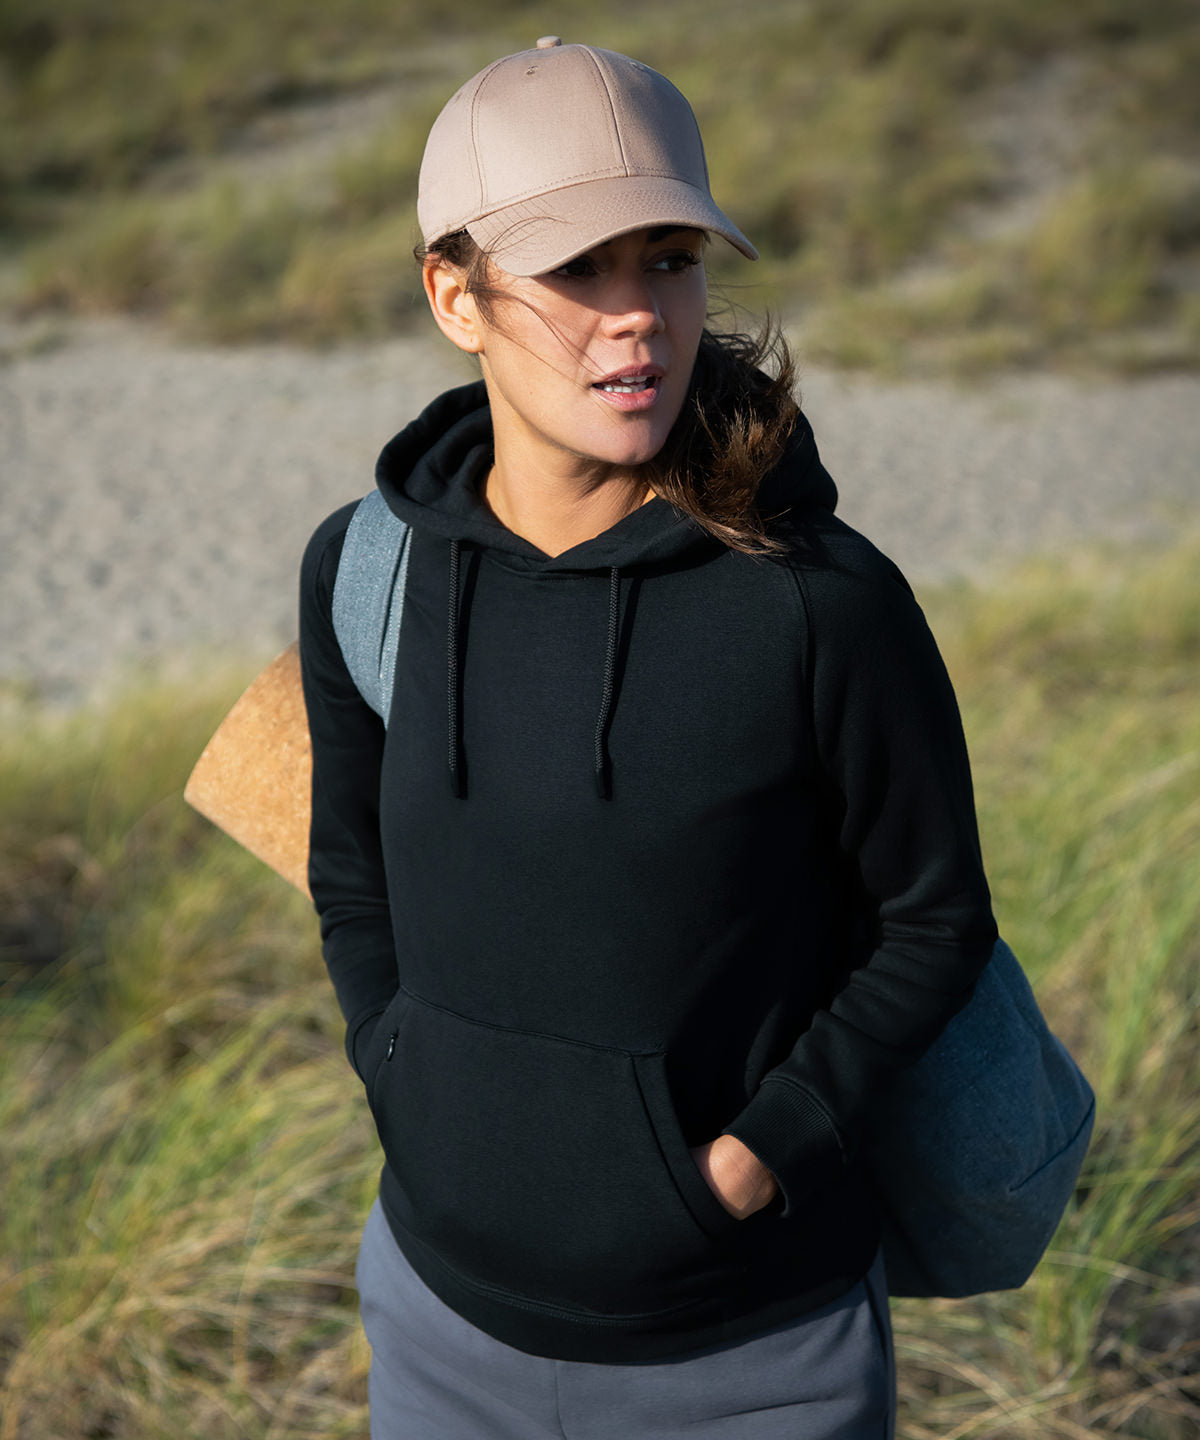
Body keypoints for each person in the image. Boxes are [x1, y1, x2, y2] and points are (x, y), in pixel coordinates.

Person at [299, 36, 997, 1440]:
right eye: (578, 269)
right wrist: (400, 1072)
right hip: (436, 1326)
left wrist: (749, 1163)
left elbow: (933, 922)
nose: (638, 318)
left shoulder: (817, 601)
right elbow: (350, 870)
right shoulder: (370, 568)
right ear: (455, 296)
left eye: (669, 260)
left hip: (750, 1360)